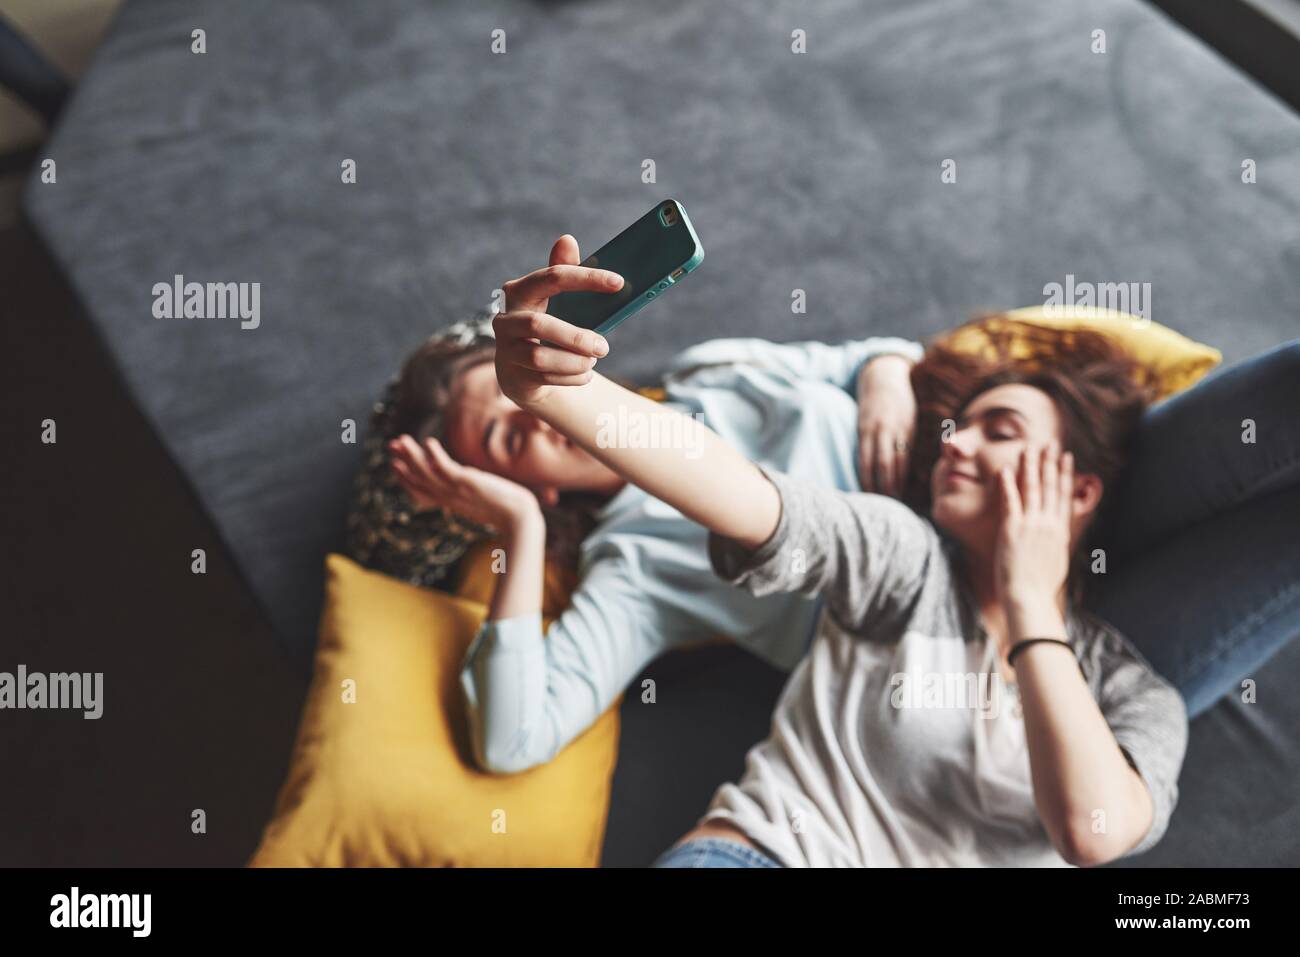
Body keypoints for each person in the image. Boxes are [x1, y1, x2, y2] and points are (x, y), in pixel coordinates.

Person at [387, 235, 925, 773]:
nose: (540, 418)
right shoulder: (631, 570)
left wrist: (886, 376)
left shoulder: (710, 371)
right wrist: (520, 526)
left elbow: (873, 357)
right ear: (534, 488)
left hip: (947, 466)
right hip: (920, 611)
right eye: (512, 439)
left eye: (526, 385)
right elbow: (510, 743)